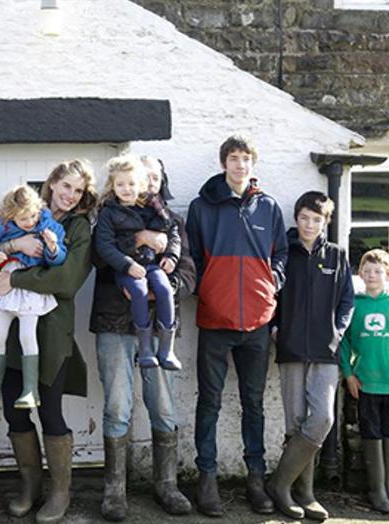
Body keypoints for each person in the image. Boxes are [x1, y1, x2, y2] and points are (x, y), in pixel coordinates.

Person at [0, 159, 97, 524]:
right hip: (12, 330)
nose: (70, 195)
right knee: (14, 408)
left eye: (78, 190)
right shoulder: (23, 213)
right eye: (65, 186)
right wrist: (16, 242)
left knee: (49, 410)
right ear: (52, 183)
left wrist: (16, 281)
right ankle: (30, 484)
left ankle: (60, 491)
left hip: (52, 333)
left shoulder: (79, 228)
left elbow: (66, 281)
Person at [185, 134, 287, 517]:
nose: (240, 165)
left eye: (246, 158)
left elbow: (279, 255)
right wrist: (207, 290)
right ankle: (206, 479)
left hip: (258, 323)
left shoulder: (269, 208)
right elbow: (192, 258)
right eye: (233, 158)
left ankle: (255, 479)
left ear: (252, 164)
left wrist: (271, 283)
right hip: (215, 319)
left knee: (254, 404)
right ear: (223, 162)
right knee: (209, 403)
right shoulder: (202, 207)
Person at [91, 155, 195, 521]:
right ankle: (114, 491)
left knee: (163, 406)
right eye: (143, 175)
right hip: (114, 323)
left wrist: (165, 285)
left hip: (159, 330)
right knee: (118, 407)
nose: (149, 181)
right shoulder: (110, 214)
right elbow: (99, 258)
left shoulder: (173, 222)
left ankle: (166, 484)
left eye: (155, 176)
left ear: (160, 180)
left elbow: (189, 275)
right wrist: (136, 240)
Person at [265, 192, 354, 521]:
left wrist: (338, 331)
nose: (309, 224)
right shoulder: (284, 253)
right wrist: (274, 326)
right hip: (290, 348)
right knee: (296, 422)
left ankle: (280, 484)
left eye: (317, 220)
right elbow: (269, 292)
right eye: (304, 218)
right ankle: (302, 493)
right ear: (296, 218)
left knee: (323, 420)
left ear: (325, 223)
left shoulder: (336, 256)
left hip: (325, 350)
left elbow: (347, 300)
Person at [0, 185, 66, 409]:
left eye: (32, 216)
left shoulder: (48, 225)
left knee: (27, 337)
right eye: (22, 218)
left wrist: (52, 247)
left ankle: (31, 390)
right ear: (11, 215)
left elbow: (58, 259)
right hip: (6, 284)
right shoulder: (1, 223)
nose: (29, 222)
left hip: (30, 286)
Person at [340, 249, 389, 514]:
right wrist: (349, 373)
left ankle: (388, 487)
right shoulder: (355, 304)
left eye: (378, 271)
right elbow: (343, 341)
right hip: (365, 383)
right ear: (360, 274)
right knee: (370, 432)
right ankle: (376, 490)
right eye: (367, 271)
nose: (372, 276)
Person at [94, 155, 181, 371]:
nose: (126, 189)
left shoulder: (154, 207)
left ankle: (166, 349)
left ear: (140, 184)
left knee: (164, 288)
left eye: (132, 183)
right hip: (127, 268)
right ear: (112, 185)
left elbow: (172, 231)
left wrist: (171, 255)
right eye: (120, 184)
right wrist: (128, 262)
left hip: (151, 264)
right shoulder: (108, 212)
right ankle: (145, 350)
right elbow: (104, 248)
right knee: (139, 291)